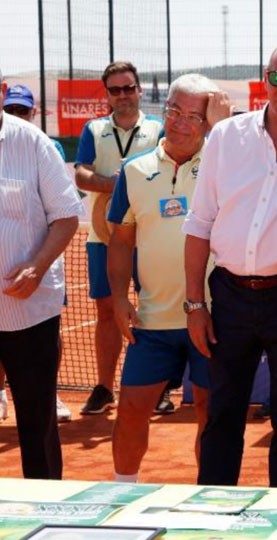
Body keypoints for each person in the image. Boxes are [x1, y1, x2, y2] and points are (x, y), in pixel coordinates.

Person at [184, 44, 277, 488]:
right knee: (222, 414)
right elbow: (200, 222)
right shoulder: (225, 137)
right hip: (229, 296)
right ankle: (215, 514)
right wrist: (194, 305)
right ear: (264, 79)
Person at [107, 74, 230, 483]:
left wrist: (219, 126)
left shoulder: (223, 165)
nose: (179, 122)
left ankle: (209, 497)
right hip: (154, 320)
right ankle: (123, 492)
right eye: (173, 111)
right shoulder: (133, 170)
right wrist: (120, 299)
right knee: (131, 409)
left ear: (207, 121)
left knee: (210, 416)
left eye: (193, 116)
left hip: (212, 319)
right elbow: (122, 241)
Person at [0, 69, 83, 478]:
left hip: (29, 311)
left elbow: (67, 215)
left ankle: (49, 509)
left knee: (37, 423)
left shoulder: (33, 143)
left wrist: (36, 266)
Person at [74, 61, 165, 416]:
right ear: (108, 94)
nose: (123, 96)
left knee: (152, 309)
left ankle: (157, 388)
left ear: (140, 90)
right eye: (115, 90)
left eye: (129, 88)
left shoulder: (158, 129)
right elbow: (81, 173)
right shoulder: (93, 129)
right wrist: (114, 184)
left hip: (149, 238)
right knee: (107, 309)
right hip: (103, 236)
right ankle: (103, 386)